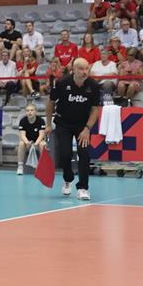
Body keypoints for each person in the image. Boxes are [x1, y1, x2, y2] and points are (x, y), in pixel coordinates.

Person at [46, 58, 102, 200]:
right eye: (81, 69)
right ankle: (68, 179)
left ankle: (83, 188)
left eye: (87, 69)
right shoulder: (62, 83)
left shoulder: (93, 85)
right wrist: (48, 124)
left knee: (84, 154)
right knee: (65, 154)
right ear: (73, 70)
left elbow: (95, 109)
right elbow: (50, 103)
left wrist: (87, 128)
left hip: (82, 125)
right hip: (63, 123)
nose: (85, 72)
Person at [15, 102, 46, 175]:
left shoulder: (41, 121)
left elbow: (41, 135)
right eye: (28, 110)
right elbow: (22, 135)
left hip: (37, 143)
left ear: (35, 111)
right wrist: (27, 142)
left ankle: (43, 167)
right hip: (28, 143)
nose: (30, 112)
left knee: (42, 144)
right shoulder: (23, 121)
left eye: (32, 110)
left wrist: (36, 143)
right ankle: (20, 167)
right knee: (21, 143)